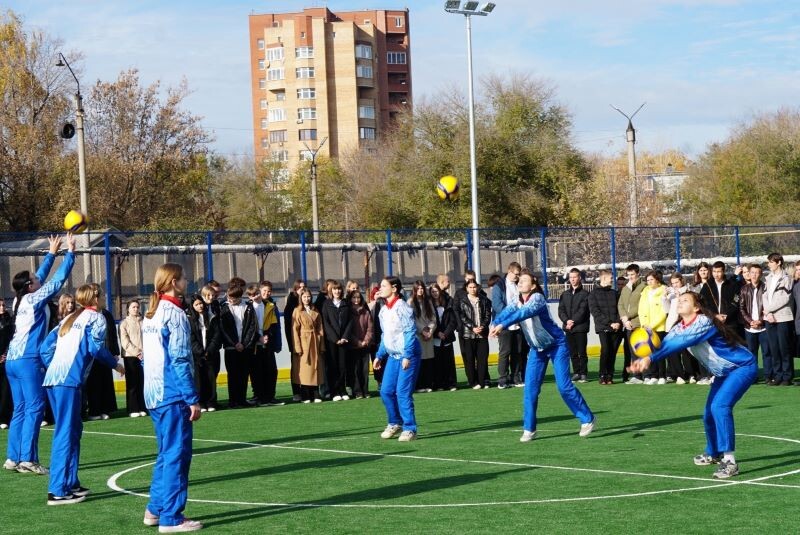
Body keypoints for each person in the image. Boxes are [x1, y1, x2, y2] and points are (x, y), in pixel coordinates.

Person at [628, 291, 758, 479]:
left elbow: (682, 342)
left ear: (696, 307)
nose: (679, 302)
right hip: (723, 373)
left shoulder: (704, 322)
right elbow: (666, 345)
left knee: (720, 406)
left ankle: (729, 461)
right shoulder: (678, 327)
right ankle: (713, 453)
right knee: (708, 414)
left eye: (685, 300)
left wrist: (650, 357)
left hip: (742, 367)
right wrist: (645, 359)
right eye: (679, 300)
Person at [39, 283, 125, 505]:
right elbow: (95, 348)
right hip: (68, 382)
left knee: (74, 430)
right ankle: (57, 490)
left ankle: (70, 482)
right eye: (103, 295)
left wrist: (55, 366)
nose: (105, 298)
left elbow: (44, 348)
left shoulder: (69, 319)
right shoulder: (96, 318)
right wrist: (116, 364)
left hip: (55, 380)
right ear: (95, 298)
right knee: (65, 433)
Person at [490, 272, 595, 442]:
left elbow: (523, 314)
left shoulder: (537, 298)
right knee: (530, 389)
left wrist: (502, 325)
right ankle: (529, 429)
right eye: (519, 280)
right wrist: (495, 324)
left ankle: (587, 419)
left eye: (524, 280)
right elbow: (506, 312)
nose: (520, 282)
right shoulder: (517, 301)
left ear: (532, 285)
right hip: (537, 349)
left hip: (557, 345)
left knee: (563, 386)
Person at [5, 233, 75, 475]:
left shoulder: (19, 300)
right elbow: (56, 282)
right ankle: (28, 459)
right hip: (27, 360)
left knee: (21, 408)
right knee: (35, 406)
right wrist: (70, 255)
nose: (38, 280)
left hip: (13, 360)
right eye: (34, 279)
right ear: (29, 286)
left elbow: (42, 278)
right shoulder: (34, 299)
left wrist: (52, 253)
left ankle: (13, 457)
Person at [141, 263, 203, 532]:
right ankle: (172, 517)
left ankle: (155, 508)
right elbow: (178, 359)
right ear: (174, 281)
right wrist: (191, 397)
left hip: (154, 392)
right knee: (177, 454)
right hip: (172, 394)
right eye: (185, 278)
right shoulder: (175, 314)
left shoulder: (151, 313)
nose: (187, 282)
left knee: (166, 454)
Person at [373, 276, 422, 441]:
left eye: (383, 285)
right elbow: (385, 335)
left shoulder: (402, 307)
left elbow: (410, 331)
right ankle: (394, 422)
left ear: (394, 289)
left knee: (402, 392)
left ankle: (410, 428)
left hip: (408, 355)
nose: (380, 288)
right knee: (386, 391)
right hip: (393, 356)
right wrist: (380, 355)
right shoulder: (383, 310)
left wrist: (407, 355)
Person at [219, 284, 257, 408]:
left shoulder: (248, 307)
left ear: (239, 297)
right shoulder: (224, 308)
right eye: (229, 297)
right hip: (231, 348)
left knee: (244, 374)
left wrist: (244, 344)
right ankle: (233, 400)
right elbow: (224, 329)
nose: (230, 300)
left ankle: (242, 399)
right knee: (233, 375)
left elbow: (252, 327)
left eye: (233, 298)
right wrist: (234, 343)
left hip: (245, 348)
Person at [491, 262, 526, 389]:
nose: (517, 277)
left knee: (518, 351)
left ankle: (516, 377)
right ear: (509, 271)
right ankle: (503, 379)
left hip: (518, 323)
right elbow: (497, 305)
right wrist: (510, 315)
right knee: (505, 352)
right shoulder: (499, 286)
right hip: (504, 324)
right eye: (516, 274)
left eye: (519, 274)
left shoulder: (519, 285)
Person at [85, 305, 120, 420]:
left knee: (106, 382)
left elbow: (113, 334)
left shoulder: (107, 314)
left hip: (106, 353)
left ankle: (105, 410)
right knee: (93, 383)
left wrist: (115, 352)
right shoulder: (86, 314)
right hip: (92, 355)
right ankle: (94, 411)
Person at [763, 253, 794, 386]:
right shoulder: (768, 278)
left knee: (784, 348)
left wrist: (769, 310)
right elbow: (764, 295)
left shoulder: (787, 278)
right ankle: (778, 375)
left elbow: (785, 298)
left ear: (779, 262)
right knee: (774, 348)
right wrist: (767, 313)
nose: (769, 264)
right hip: (769, 318)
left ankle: (787, 376)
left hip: (782, 317)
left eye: (771, 262)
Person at [188, 295, 222, 413]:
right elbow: (191, 338)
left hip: (211, 354)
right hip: (197, 356)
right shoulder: (190, 320)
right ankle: (201, 402)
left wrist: (209, 350)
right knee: (198, 379)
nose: (200, 306)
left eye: (201, 303)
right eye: (196, 304)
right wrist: (200, 352)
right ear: (192, 307)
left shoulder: (212, 317)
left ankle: (211, 402)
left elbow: (216, 335)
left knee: (211, 378)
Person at [456, 279, 492, 389]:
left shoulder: (484, 300)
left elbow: (487, 315)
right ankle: (473, 382)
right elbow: (462, 316)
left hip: (482, 334)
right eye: (470, 287)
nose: (473, 289)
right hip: (468, 334)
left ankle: (482, 381)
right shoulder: (462, 301)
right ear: (466, 288)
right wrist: (472, 327)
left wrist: (483, 326)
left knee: (482, 359)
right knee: (470, 359)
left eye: (474, 287)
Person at [588, 270, 621, 385]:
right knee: (606, 350)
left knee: (613, 352)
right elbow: (595, 312)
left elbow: (619, 309)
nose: (613, 280)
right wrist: (609, 323)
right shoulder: (593, 294)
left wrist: (617, 322)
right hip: (603, 327)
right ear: (603, 279)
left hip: (616, 327)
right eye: (611, 278)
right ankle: (602, 374)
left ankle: (610, 375)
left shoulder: (614, 293)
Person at [292, 288, 325, 403]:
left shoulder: (315, 310)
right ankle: (305, 394)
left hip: (315, 341)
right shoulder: (297, 311)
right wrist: (297, 347)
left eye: (309, 296)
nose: (307, 299)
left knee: (316, 368)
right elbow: (294, 330)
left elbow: (320, 328)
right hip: (304, 341)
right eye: (304, 296)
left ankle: (316, 394)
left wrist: (322, 345)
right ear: (301, 298)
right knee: (305, 369)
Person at [739, 264, 771, 384]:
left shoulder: (766, 288)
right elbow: (741, 308)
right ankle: (753, 376)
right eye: (752, 272)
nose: (754, 275)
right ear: (749, 274)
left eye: (757, 273)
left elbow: (768, 306)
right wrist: (750, 321)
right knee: (751, 354)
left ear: (761, 274)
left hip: (763, 327)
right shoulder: (744, 289)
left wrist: (761, 321)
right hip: (749, 328)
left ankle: (768, 376)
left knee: (767, 352)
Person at [321, 281, 353, 401]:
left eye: (339, 289)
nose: (337, 291)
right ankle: (334, 392)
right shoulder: (326, 304)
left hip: (344, 341)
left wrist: (345, 337)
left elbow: (350, 322)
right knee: (332, 366)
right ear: (331, 291)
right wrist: (335, 339)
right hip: (331, 342)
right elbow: (326, 323)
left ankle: (342, 390)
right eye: (335, 289)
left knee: (342, 366)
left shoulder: (346, 304)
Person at [558, 268, 590, 383]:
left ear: (579, 278)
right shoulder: (565, 294)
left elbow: (583, 310)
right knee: (572, 352)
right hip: (568, 328)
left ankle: (583, 373)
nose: (572, 279)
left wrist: (573, 321)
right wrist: (567, 321)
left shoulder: (585, 294)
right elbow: (561, 310)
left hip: (580, 328)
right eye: (571, 277)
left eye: (575, 277)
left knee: (582, 351)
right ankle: (576, 372)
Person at [663, 272, 695, 384]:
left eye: (677, 282)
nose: (675, 285)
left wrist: (679, 297)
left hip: (685, 325)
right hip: (671, 325)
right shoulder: (671, 294)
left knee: (686, 352)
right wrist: (664, 297)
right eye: (673, 283)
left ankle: (691, 374)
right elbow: (667, 310)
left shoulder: (688, 292)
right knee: (673, 352)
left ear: (682, 281)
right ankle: (679, 375)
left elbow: (688, 308)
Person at [638, 270, 668, 385]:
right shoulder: (645, 290)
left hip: (659, 327)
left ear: (657, 279)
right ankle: (653, 375)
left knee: (659, 352)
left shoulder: (663, 290)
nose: (649, 282)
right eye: (648, 280)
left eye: (651, 279)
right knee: (650, 352)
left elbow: (664, 311)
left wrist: (652, 325)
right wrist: (644, 324)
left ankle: (662, 375)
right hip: (646, 327)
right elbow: (641, 308)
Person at [617, 264, 645, 384]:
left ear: (638, 273)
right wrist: (625, 319)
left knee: (642, 350)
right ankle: (637, 376)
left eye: (632, 274)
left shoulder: (644, 286)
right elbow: (620, 305)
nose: (630, 277)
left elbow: (641, 305)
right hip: (628, 324)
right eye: (628, 275)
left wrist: (628, 316)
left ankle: (646, 375)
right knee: (632, 351)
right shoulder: (625, 288)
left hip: (638, 323)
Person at [119, 300, 146, 417]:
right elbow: (125, 342)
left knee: (142, 382)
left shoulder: (144, 322)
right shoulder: (124, 323)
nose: (136, 309)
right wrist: (137, 352)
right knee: (132, 383)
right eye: (133, 307)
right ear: (128, 309)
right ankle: (132, 409)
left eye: (137, 307)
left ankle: (142, 406)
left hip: (144, 356)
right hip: (130, 356)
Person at [409, 281, 437, 393]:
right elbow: (411, 320)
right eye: (418, 288)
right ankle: (419, 385)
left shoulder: (428, 301)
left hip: (428, 335)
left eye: (422, 288)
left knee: (428, 360)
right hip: (418, 335)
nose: (420, 290)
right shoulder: (410, 302)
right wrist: (422, 330)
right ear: (414, 290)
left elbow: (433, 318)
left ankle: (428, 384)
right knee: (419, 360)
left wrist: (430, 330)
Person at [258, 281, 283, 405]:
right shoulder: (254, 305)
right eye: (264, 291)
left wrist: (277, 343)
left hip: (270, 343)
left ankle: (270, 397)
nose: (266, 293)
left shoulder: (272, 305)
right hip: (257, 344)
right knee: (260, 372)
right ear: (260, 290)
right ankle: (261, 397)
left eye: (269, 291)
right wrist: (259, 337)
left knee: (272, 371)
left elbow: (276, 326)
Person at [199, 285, 222, 410]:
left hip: (213, 349)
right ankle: (202, 401)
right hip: (200, 350)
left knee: (213, 375)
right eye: (208, 295)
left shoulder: (216, 307)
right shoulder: (198, 310)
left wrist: (212, 348)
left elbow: (217, 331)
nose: (211, 297)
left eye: (213, 295)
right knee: (201, 376)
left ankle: (211, 401)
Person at [348, 290, 373, 398]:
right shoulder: (348, 313)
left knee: (364, 369)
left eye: (358, 298)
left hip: (365, 346)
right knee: (355, 369)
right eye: (354, 298)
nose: (356, 300)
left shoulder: (366, 313)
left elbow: (370, 329)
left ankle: (365, 390)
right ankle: (357, 391)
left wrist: (366, 341)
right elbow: (349, 331)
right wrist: (358, 342)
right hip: (353, 346)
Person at [284, 279, 306, 402]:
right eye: (300, 287)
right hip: (295, 340)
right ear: (296, 289)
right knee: (296, 366)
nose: (302, 289)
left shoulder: (308, 302)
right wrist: (291, 343)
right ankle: (296, 392)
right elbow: (289, 326)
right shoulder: (291, 302)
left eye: (304, 287)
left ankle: (306, 391)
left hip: (307, 341)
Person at [0, 300, 14, 430]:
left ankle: (4, 417)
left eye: (3, 305)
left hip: (5, 360)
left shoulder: (9, 322)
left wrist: (5, 354)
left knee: (5, 390)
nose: (2, 307)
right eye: (0, 305)